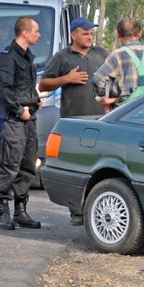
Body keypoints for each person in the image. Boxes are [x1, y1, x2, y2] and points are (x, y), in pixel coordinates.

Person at [38, 16, 108, 225]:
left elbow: (115, 78)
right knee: (75, 167)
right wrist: (66, 79)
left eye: (91, 33)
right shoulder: (62, 57)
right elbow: (43, 85)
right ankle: (76, 212)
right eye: (85, 33)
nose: (89, 37)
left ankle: (94, 210)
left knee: (98, 167)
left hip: (101, 121)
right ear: (74, 35)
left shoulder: (101, 54)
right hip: (73, 121)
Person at [0, 16, 43, 231]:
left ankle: (20, 212)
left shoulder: (27, 56)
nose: (39, 35)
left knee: (27, 166)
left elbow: (24, 86)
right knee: (9, 165)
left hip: (28, 119)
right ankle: (3, 213)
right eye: (36, 31)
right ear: (25, 33)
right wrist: (19, 109)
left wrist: (35, 100)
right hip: (13, 119)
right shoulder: (7, 57)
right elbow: (3, 90)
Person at [93, 18, 144, 112]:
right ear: (140, 33)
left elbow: (97, 80)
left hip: (124, 114)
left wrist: (105, 98)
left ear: (117, 34)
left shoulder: (117, 55)